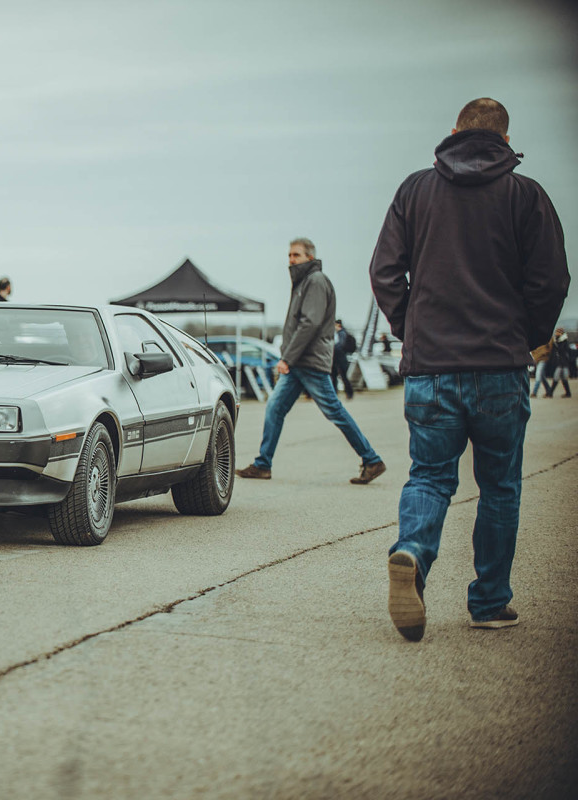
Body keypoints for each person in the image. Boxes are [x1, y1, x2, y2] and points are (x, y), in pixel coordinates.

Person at [369, 98, 570, 641]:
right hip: (500, 367)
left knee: (430, 476)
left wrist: (410, 328)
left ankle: (411, 550)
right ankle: (489, 602)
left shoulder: (415, 190)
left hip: (431, 367)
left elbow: (384, 271)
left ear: (453, 131)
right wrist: (526, 339)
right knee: (500, 486)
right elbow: (551, 280)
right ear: (506, 141)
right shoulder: (525, 195)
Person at [235, 238, 386, 484]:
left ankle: (371, 460)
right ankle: (263, 464)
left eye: (296, 255)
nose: (291, 260)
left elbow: (310, 323)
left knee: (334, 411)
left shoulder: (315, 281)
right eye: (290, 255)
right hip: (300, 363)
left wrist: (287, 358)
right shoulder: (304, 282)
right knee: (275, 407)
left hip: (308, 361)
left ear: (310, 258)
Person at [543, 327, 573, 397]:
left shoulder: (564, 341)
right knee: (559, 377)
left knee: (562, 377)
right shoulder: (555, 341)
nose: (556, 333)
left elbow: (565, 351)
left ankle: (551, 393)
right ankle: (566, 393)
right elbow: (553, 352)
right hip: (558, 362)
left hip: (564, 362)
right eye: (556, 332)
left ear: (561, 333)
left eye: (558, 332)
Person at [331, 320, 355, 399]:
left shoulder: (341, 334)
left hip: (339, 359)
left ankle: (348, 393)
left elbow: (340, 345)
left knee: (339, 377)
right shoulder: (341, 333)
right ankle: (346, 393)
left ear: (338, 325)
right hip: (339, 359)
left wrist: (332, 348)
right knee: (339, 377)